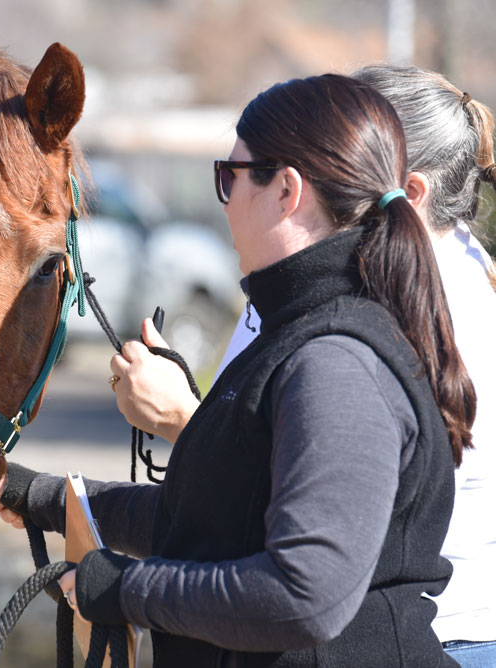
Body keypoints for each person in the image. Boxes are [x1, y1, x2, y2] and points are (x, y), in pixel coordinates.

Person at [0, 73, 476, 666]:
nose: (224, 197)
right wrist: (47, 496)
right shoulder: (295, 333)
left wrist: (126, 590)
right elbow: (219, 515)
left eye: (231, 175)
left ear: (286, 192)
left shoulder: (337, 360)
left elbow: (303, 597)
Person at [206, 65, 496, 667]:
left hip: (444, 634)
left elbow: (326, 504)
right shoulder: (336, 289)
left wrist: (125, 590)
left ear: (407, 193)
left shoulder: (401, 320)